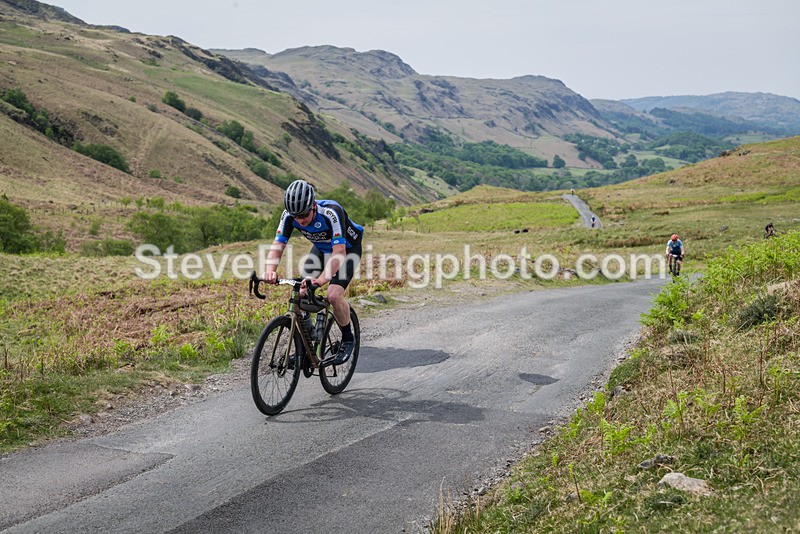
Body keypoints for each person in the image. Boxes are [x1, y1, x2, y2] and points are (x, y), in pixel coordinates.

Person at [263, 179, 364, 365]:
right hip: (321, 249)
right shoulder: (288, 215)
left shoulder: (332, 212)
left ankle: (348, 339)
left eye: (304, 215)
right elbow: (278, 244)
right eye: (296, 217)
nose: (300, 220)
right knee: (301, 293)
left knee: (333, 295)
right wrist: (270, 270)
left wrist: (322, 279)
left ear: (313, 205)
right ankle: (306, 348)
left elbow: (339, 252)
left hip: (347, 250)